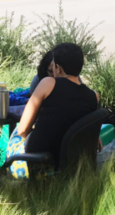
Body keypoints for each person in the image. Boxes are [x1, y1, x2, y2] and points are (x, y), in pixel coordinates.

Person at [13, 43, 99, 171]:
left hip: (41, 157)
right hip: (72, 159)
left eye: (53, 66)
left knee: (15, 132)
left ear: (58, 68)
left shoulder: (48, 83)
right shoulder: (93, 96)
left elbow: (22, 130)